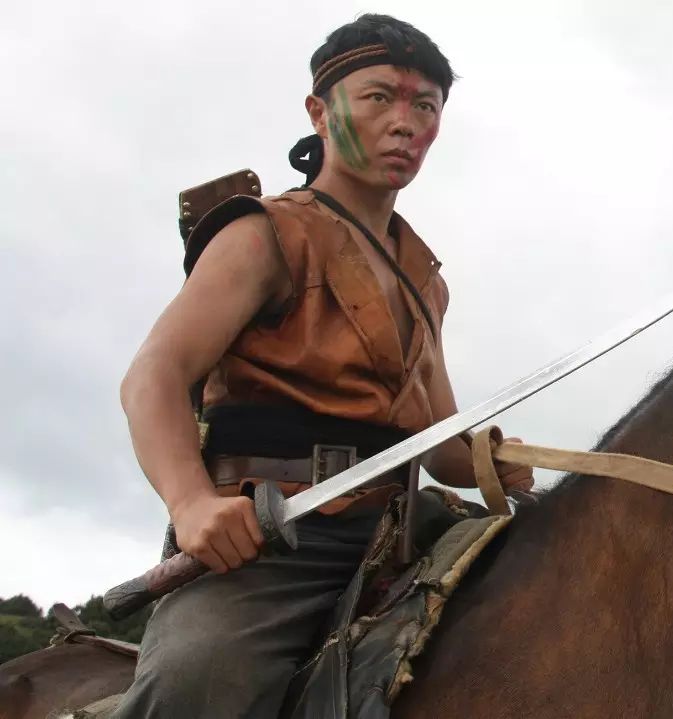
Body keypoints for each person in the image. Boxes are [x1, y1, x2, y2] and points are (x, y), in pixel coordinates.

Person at [112, 14, 533, 717]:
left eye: (424, 106)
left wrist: (495, 459)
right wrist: (191, 504)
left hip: (400, 532)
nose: (405, 122)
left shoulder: (424, 279)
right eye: (380, 98)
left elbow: (443, 446)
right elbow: (151, 375)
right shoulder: (263, 232)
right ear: (319, 110)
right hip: (274, 539)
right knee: (196, 680)